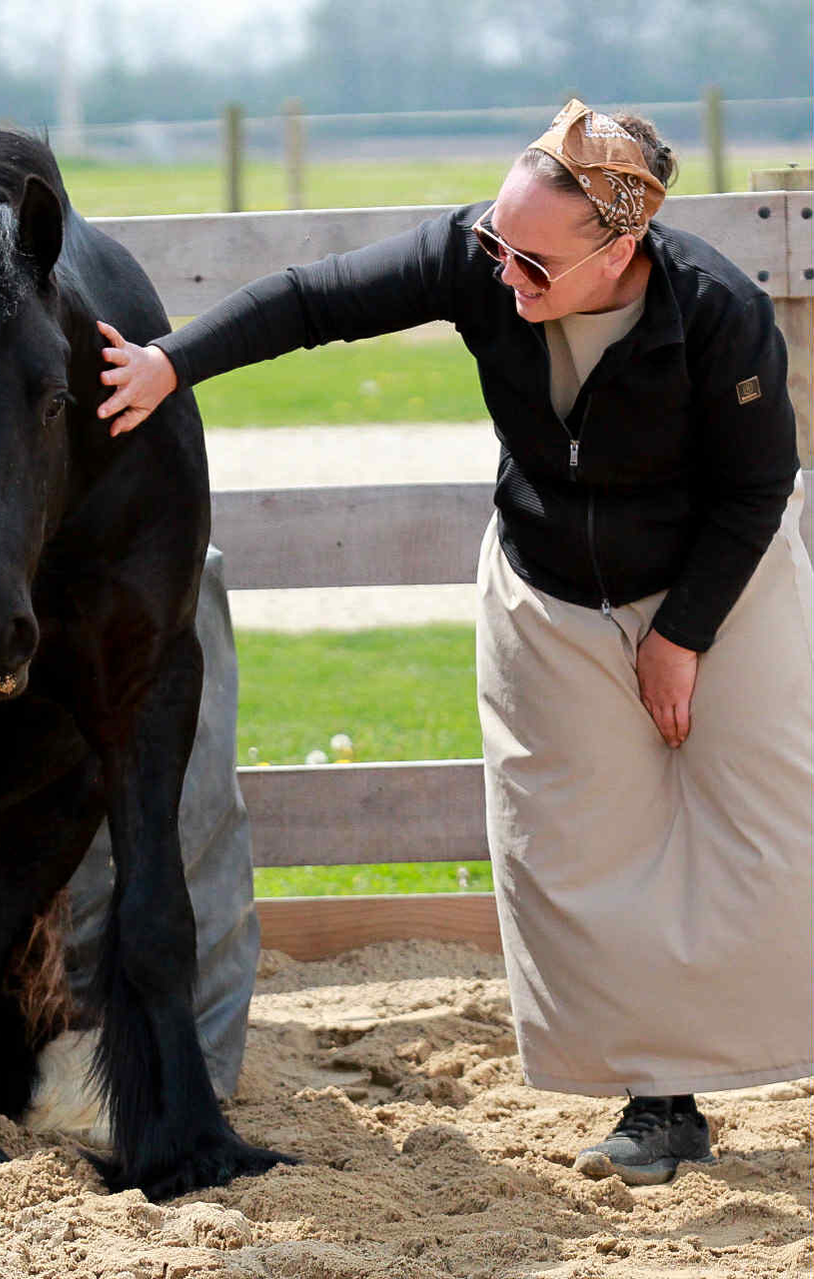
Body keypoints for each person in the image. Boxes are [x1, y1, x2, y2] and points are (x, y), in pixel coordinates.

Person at [95, 100, 813, 1187]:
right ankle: (658, 1105)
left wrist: (680, 634)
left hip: (719, 578)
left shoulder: (714, 311)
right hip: (549, 587)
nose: (503, 272)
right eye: (494, 243)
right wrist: (168, 365)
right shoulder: (476, 259)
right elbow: (308, 300)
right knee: (580, 852)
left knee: (775, 824)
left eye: (532, 260)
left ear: (618, 248)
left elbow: (758, 483)